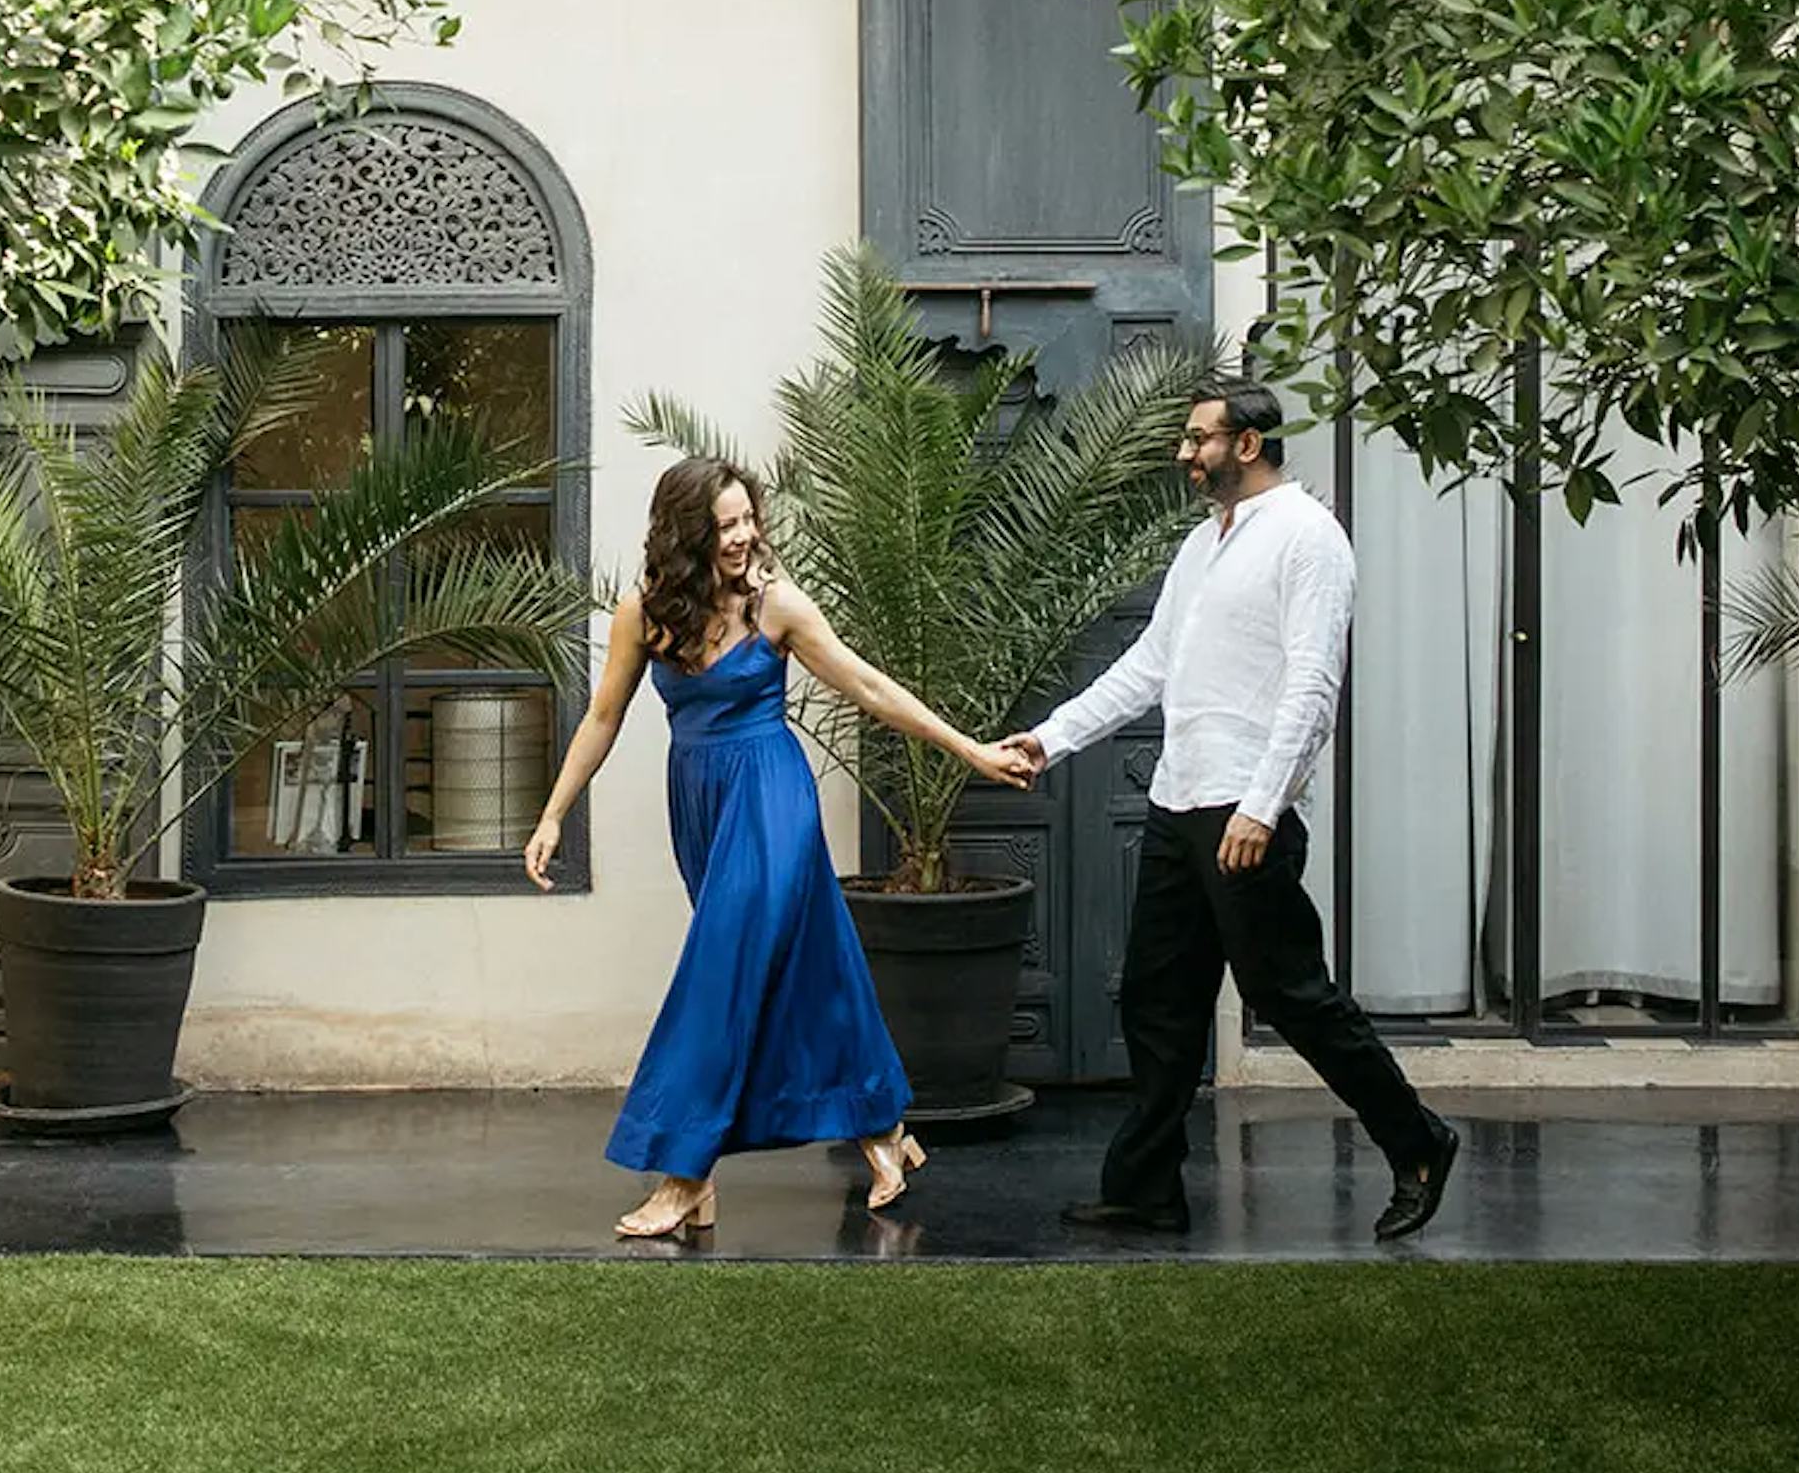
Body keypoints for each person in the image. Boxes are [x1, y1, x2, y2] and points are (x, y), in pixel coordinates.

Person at [527, 454, 1036, 1240]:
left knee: (719, 974)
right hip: (701, 800)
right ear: (686, 532)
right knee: (804, 971)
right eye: (724, 523)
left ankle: (683, 1173)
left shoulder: (777, 608)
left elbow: (869, 687)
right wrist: (554, 814)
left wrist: (969, 750)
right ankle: (884, 1131)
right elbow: (603, 718)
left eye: (746, 518)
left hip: (771, 796)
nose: (744, 535)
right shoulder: (645, 612)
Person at [998, 382, 1461, 1241]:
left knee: (1293, 995)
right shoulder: (1202, 545)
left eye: (1197, 438)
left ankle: (1419, 1142)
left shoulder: (1309, 540)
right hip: (1180, 802)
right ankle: (1145, 1189)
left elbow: (1313, 685)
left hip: (1247, 813)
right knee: (1156, 998)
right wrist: (1050, 739)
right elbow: (1149, 665)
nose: (1184, 453)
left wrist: (1264, 803)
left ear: (1247, 444)